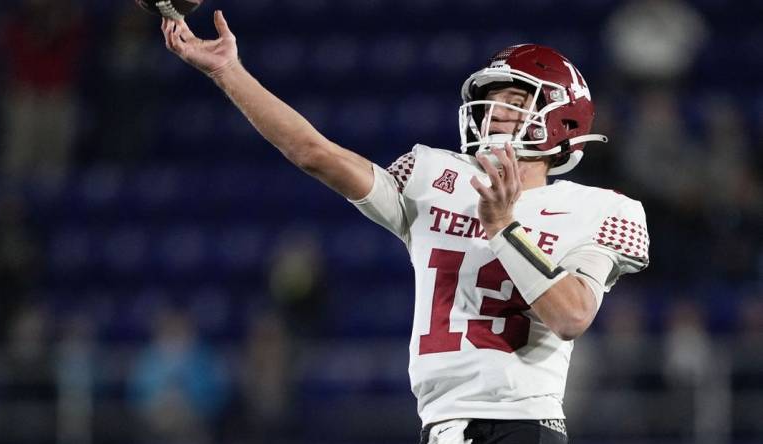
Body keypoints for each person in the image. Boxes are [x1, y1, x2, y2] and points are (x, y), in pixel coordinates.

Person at [161, 11, 649, 444]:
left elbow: (572, 318)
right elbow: (315, 153)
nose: (494, 111)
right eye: (492, 98)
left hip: (523, 423)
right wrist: (228, 72)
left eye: (514, 98)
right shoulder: (434, 176)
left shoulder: (597, 209)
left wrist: (502, 227)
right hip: (439, 425)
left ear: (561, 118)